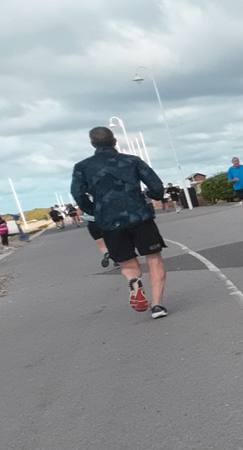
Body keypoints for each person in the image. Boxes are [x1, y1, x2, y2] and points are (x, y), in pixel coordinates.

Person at [71, 126, 170, 319]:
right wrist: (153, 195)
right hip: (139, 216)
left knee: (128, 263)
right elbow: (156, 185)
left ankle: (134, 281)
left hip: (108, 221)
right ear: (114, 141)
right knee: (153, 258)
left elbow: (77, 193)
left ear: (92, 144)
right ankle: (157, 305)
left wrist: (93, 209)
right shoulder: (132, 161)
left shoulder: (82, 167)